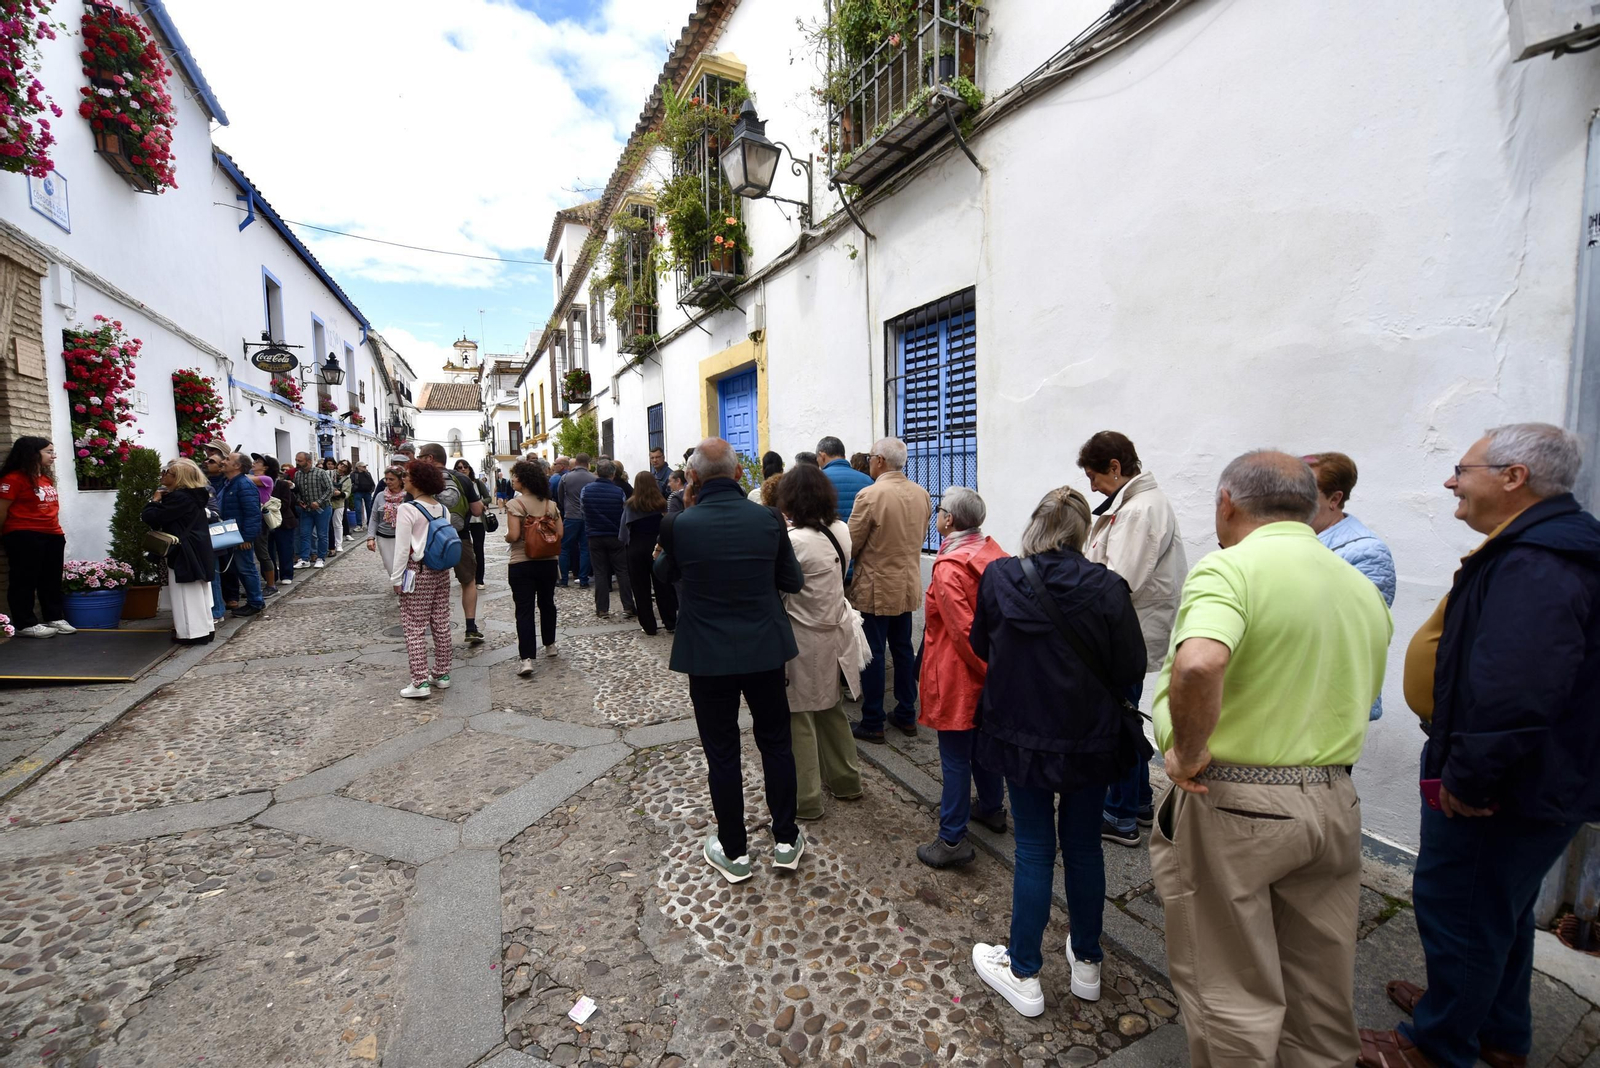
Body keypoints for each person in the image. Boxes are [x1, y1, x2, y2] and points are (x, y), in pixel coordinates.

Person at [1359, 425, 1600, 1068]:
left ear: (1513, 476)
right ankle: (1493, 1029)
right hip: (1526, 779)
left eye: (1463, 469)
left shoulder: (1538, 561)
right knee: (1501, 911)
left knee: (1461, 908)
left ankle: (1437, 1046)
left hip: (1502, 788)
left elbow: (1518, 687)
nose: (1450, 482)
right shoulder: (1536, 547)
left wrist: (1470, 779)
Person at [1149, 451, 1391, 1066]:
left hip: (1239, 803)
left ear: (1227, 503)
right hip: (1334, 801)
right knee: (1320, 992)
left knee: (1230, 993)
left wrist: (1187, 752)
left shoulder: (1230, 570)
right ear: (1311, 506)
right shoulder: (1357, 584)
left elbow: (1201, 660)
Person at [968, 485, 1147, 1016]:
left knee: (1034, 849)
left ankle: (1024, 971)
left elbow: (981, 645)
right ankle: (1087, 963)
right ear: (1081, 533)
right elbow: (1130, 667)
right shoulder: (1108, 586)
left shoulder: (1002, 577)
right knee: (1086, 847)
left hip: (1021, 736)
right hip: (1088, 739)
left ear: (1036, 526)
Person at [655, 438, 806, 883]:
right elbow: (792, 580)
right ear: (740, 475)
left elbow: (663, 576)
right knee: (776, 741)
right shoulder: (768, 519)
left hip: (707, 654)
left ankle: (735, 851)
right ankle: (785, 839)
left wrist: (683, 511)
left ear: (694, 478)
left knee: (722, 751)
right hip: (763, 649)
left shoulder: (680, 524)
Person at [1076, 430, 1187, 848]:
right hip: (1130, 630)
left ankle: (1120, 815)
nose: (1092, 487)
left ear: (1116, 468)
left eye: (1094, 477)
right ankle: (1138, 800)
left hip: (1125, 633)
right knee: (1126, 714)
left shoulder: (1140, 511)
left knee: (1117, 721)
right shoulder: (1139, 503)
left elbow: (1116, 581)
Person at [915, 486, 1009, 868]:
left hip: (959, 673)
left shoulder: (950, 565)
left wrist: (988, 671)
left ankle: (952, 839)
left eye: (939, 510)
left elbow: (963, 632)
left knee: (955, 757)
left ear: (949, 519)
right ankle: (991, 807)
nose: (936, 516)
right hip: (991, 669)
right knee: (984, 746)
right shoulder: (993, 553)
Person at [776, 464, 864, 821]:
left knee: (799, 718)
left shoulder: (795, 541)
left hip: (802, 636)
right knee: (831, 709)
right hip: (834, 630)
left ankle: (807, 799)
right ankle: (846, 780)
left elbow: (782, 586)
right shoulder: (841, 530)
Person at [847, 438, 932, 742]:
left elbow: (852, 543)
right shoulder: (922, 494)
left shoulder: (870, 495)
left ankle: (873, 719)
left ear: (880, 460)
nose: (869, 462)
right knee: (903, 648)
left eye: (871, 457)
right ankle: (907, 712)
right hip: (906, 582)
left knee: (873, 653)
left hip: (875, 585)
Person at [1306, 451, 1396, 721]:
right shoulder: (1283, 538)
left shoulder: (1367, 551)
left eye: (1305, 494)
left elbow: (1353, 631)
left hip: (1330, 704)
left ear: (1335, 499)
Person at [390, 458, 453, 698]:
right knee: (441, 622)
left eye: (407, 475)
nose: (404, 479)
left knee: (414, 626)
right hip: (441, 571)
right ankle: (442, 674)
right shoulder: (443, 508)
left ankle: (419, 682)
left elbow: (402, 547)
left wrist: (396, 579)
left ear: (417, 480)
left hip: (417, 571)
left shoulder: (408, 508)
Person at [0, 436, 71, 638]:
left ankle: (54, 617)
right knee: (24, 580)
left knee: (51, 579)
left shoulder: (45, 478)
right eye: (48, 451)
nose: (53, 455)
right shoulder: (12, 479)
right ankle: (25, 623)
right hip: (24, 534)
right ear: (33, 453)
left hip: (53, 534)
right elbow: (2, 510)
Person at [142, 458, 216, 644]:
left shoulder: (180, 498)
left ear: (178, 477)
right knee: (198, 593)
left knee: (185, 594)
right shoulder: (195, 495)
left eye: (167, 472)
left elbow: (153, 517)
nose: (163, 475)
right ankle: (205, 629)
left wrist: (154, 501)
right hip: (196, 547)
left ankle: (192, 634)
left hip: (185, 550)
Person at [418, 443, 485, 643]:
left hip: (428, 541)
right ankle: (471, 627)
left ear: (430, 458)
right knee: (468, 581)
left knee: (431, 587)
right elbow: (476, 511)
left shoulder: (419, 480)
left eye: (421, 456)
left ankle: (434, 633)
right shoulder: (462, 479)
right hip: (459, 537)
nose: (419, 459)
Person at [505, 459, 562, 676]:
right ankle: (550, 645)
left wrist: (505, 537)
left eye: (515, 476)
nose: (513, 480)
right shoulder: (550, 505)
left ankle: (527, 659)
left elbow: (514, 535)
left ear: (523, 480)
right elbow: (561, 534)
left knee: (524, 610)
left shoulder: (515, 505)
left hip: (522, 563)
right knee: (547, 604)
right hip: (548, 562)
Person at [620, 471, 676, 635]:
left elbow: (623, 533)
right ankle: (670, 621)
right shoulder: (661, 504)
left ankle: (649, 625)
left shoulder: (630, 505)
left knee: (640, 588)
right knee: (663, 585)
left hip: (636, 548)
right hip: (657, 546)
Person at [581, 460, 634, 620]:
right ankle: (628, 606)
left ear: (597, 472)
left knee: (600, 572)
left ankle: (602, 609)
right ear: (612, 474)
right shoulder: (618, 492)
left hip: (595, 535)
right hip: (615, 535)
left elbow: (583, 511)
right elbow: (624, 513)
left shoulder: (586, 490)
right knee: (622, 571)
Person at [219, 452, 266, 617]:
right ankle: (254, 600)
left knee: (246, 568)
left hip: (240, 536)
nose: (223, 461)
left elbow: (253, 513)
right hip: (232, 534)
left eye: (227, 459)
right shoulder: (230, 483)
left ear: (237, 466)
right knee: (242, 569)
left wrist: (246, 537)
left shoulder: (244, 484)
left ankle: (255, 602)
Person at [557, 454, 596, 588]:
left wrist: (566, 507)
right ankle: (583, 580)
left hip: (571, 516)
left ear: (576, 462)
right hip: (587, 518)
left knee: (564, 548)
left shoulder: (566, 478)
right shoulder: (593, 478)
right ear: (588, 463)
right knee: (585, 549)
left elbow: (560, 497)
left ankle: (564, 580)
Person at [817, 436, 873, 522]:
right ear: (844, 456)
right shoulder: (867, 480)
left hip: (827, 534)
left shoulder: (816, 480)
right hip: (859, 534)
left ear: (822, 456)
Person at [366, 466, 407, 582]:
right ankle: (398, 585)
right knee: (391, 567)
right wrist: (370, 538)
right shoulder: (380, 496)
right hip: (384, 537)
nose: (388, 482)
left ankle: (403, 590)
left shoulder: (408, 496)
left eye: (391, 479)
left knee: (405, 565)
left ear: (400, 480)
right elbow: (374, 518)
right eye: (386, 479)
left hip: (404, 537)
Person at [292, 452, 333, 568]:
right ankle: (305, 558)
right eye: (296, 460)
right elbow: (297, 491)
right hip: (306, 510)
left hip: (323, 509)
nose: (297, 463)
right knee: (304, 534)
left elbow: (330, 489)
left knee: (322, 534)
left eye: (300, 460)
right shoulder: (297, 475)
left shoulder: (321, 473)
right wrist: (300, 501)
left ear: (308, 461)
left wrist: (318, 502)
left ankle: (320, 557)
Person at [455, 459, 489, 589]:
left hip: (477, 521)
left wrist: (479, 503)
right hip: (461, 521)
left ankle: (479, 579)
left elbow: (488, 498)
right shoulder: (454, 484)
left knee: (478, 549)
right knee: (462, 550)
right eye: (459, 467)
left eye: (465, 467)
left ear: (470, 469)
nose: (463, 469)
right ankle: (465, 576)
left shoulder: (477, 483)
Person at [250, 456, 280, 596]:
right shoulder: (251, 476)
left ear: (266, 467)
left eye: (257, 462)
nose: (254, 463)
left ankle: (271, 585)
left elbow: (244, 479)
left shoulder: (266, 479)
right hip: (250, 519)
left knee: (263, 554)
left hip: (260, 520)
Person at [269, 457, 300, 586]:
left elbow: (286, 503)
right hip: (265, 523)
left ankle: (286, 574)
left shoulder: (281, 484)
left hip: (283, 521)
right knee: (268, 551)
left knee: (285, 549)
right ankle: (271, 575)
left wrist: (269, 508)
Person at [350, 461, 376, 531]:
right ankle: (359, 525)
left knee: (369, 508)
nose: (365, 468)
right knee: (358, 509)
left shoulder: (367, 474)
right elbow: (350, 483)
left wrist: (371, 491)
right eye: (363, 466)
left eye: (365, 466)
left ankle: (370, 524)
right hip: (358, 493)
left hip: (367, 493)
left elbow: (372, 483)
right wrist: (353, 490)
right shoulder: (353, 474)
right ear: (358, 467)